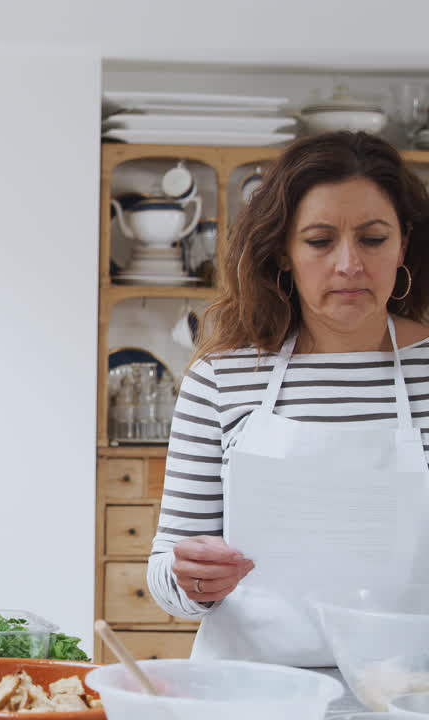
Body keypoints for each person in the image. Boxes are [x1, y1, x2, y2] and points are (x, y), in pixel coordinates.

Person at [148, 131, 429, 665]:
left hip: (410, 694)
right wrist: (193, 578)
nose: (349, 263)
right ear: (283, 252)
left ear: (404, 244)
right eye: (320, 241)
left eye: (373, 239)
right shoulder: (221, 378)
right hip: (253, 692)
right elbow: (166, 575)